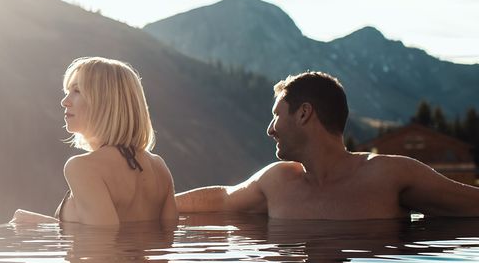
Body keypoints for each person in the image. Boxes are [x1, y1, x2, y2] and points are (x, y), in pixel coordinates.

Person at [176, 71, 479, 219]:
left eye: (276, 116)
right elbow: (222, 198)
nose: (270, 130)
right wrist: (157, 201)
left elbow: (470, 204)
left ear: (304, 113)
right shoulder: (276, 182)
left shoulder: (390, 176)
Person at [14, 57, 177, 227]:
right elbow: (166, 238)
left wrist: (38, 226)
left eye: (77, 91)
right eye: (67, 92)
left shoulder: (82, 168)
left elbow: (102, 243)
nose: (65, 101)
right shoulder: (159, 167)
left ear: (104, 101)